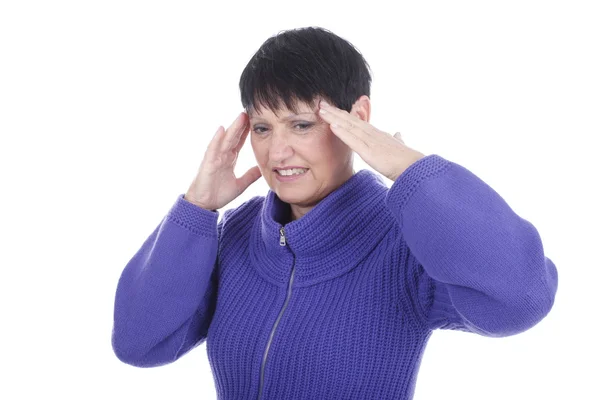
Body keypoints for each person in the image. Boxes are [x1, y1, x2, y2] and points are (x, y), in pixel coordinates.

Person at [111, 26, 558, 400]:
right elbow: (138, 342)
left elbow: (520, 300)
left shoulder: (405, 241)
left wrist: (412, 171)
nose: (277, 151)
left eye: (302, 124)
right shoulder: (238, 235)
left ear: (357, 116)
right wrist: (197, 208)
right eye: (262, 128)